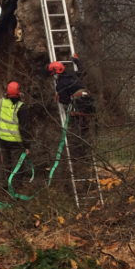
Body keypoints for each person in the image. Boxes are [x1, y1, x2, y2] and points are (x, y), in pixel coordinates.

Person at [45, 55, 95, 184]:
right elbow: (83, 71)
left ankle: (79, 157)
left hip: (78, 105)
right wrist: (77, 61)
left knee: (76, 133)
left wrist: (59, 98)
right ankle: (86, 155)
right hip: (88, 102)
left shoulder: (61, 84)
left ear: (55, 74)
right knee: (85, 130)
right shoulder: (73, 75)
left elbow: (65, 100)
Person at [0, 81, 31, 184]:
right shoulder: (22, 107)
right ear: (20, 94)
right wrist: (27, 146)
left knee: (6, 166)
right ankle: (15, 190)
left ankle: (5, 187)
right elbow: (24, 128)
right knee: (17, 167)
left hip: (3, 140)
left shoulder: (1, 102)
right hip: (16, 142)